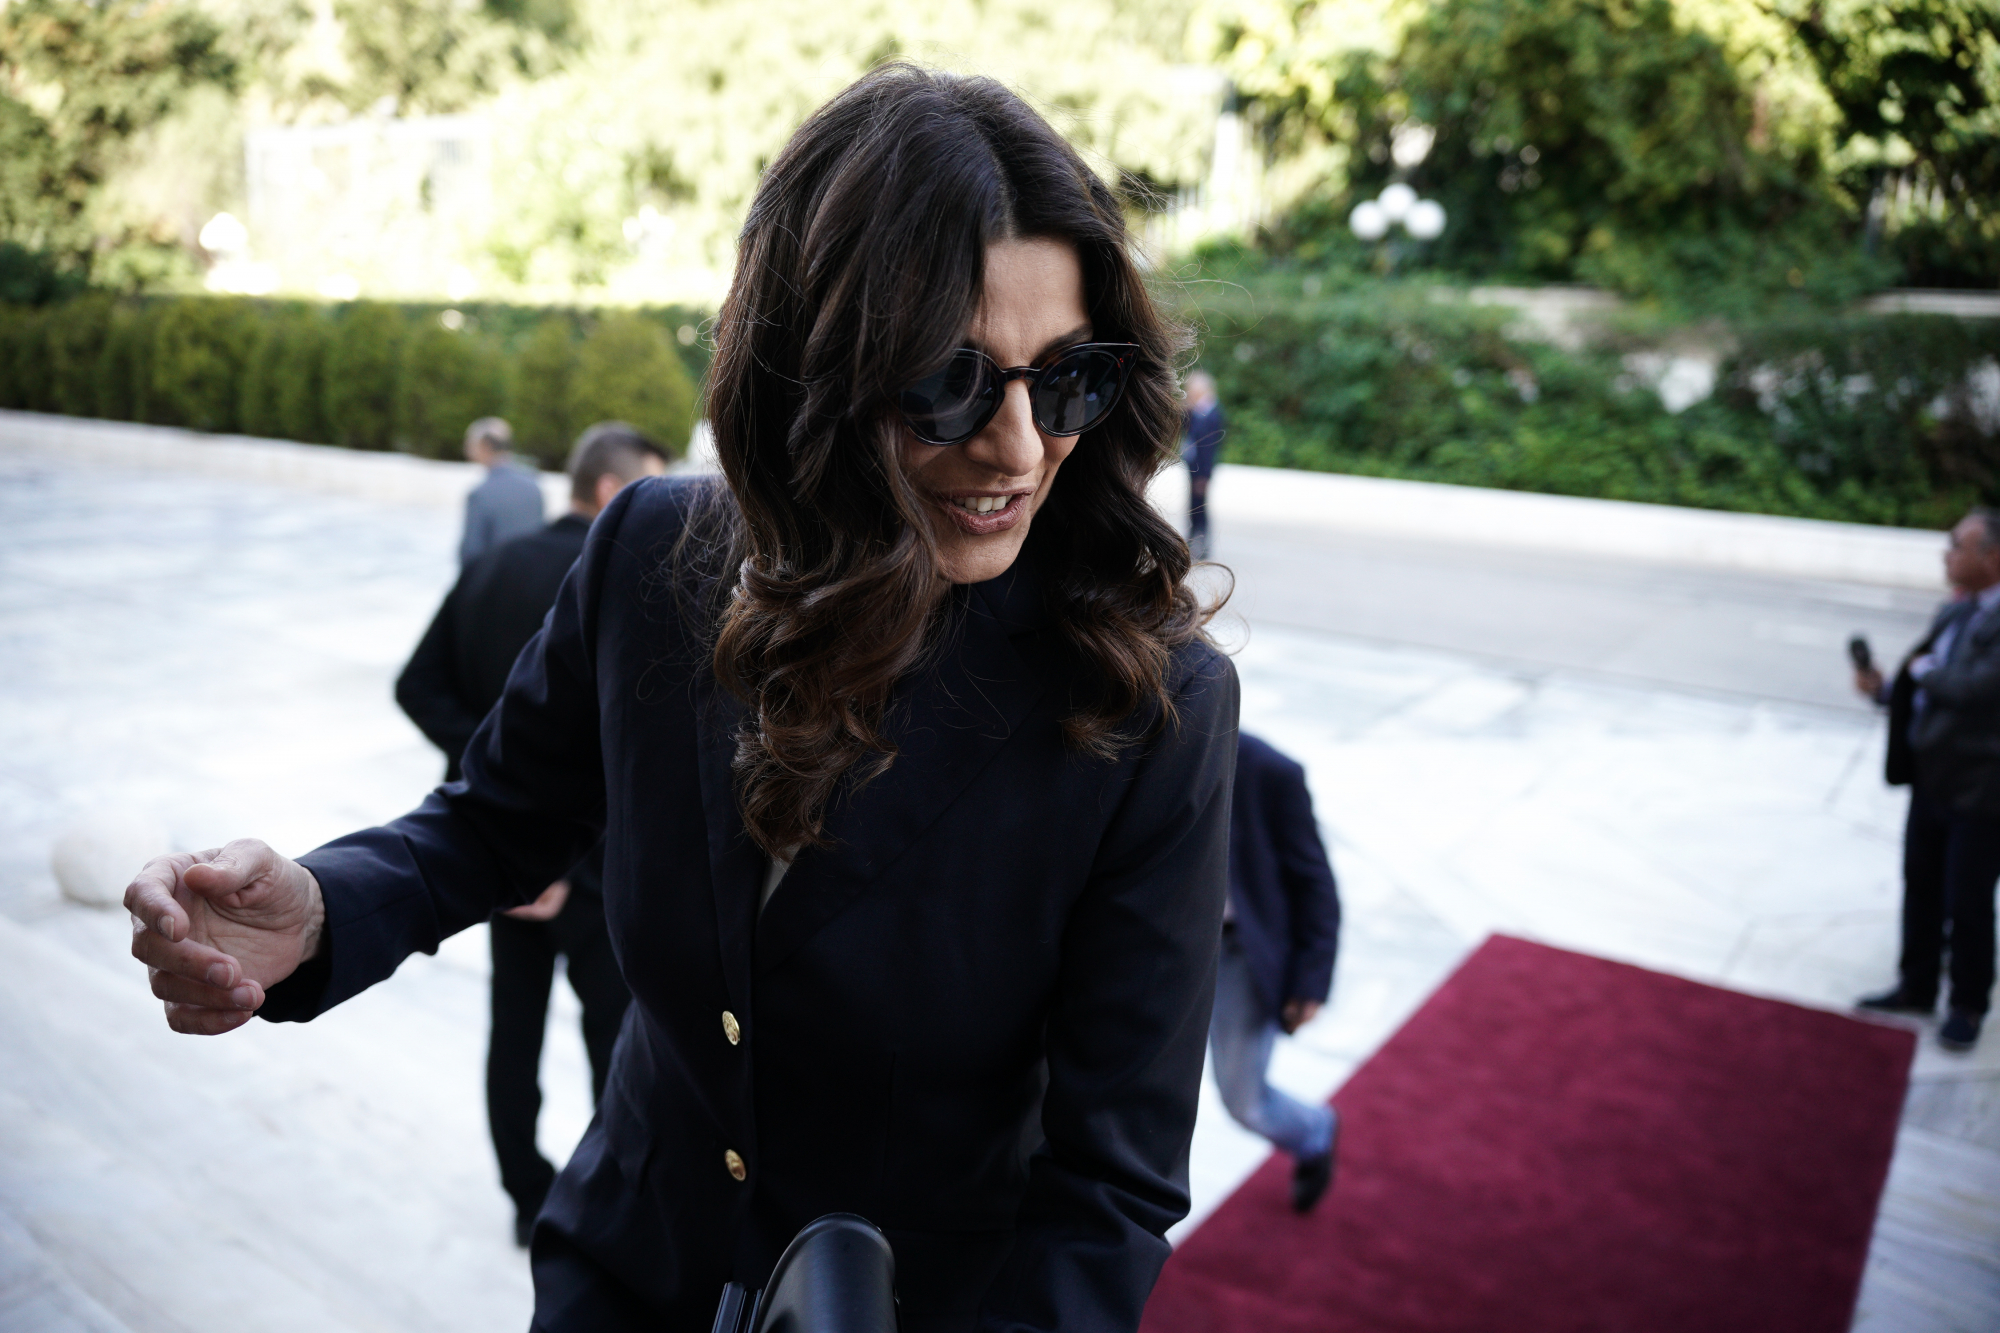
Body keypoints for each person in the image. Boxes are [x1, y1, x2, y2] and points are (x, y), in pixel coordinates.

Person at [122, 64, 1236, 1333]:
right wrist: (319, 908)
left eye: (1069, 376)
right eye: (950, 379)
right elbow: (494, 823)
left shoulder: (1152, 703)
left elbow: (1108, 1189)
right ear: (805, 369)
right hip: (617, 1276)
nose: (1021, 447)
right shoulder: (653, 550)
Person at [396, 423, 667, 1246]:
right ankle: (612, 1201)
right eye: (653, 490)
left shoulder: (491, 566)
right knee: (617, 1045)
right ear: (612, 492)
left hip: (502, 858)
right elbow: (637, 743)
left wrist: (499, 772)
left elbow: (418, 685)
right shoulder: (628, 576)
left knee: (512, 1034)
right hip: (592, 863)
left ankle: (527, 1197)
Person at [1856, 508, 2000, 1052]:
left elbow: (1974, 690)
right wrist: (1885, 690)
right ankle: (1916, 986)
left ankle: (1967, 1004)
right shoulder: (1956, 611)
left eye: (1957, 545)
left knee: (1968, 901)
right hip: (1933, 777)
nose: (1947, 555)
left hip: (1981, 789)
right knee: (1921, 886)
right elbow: (1927, 681)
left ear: (1993, 557)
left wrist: (1923, 674)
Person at [1211, 732, 1342, 1213]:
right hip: (1166, 948)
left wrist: (1311, 980)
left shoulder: (1271, 771)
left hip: (1239, 952)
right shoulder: (1137, 748)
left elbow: (1315, 881)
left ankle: (1313, 1131)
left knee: (1244, 1102)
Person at [461, 416, 546, 566]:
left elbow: (471, 554)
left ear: (485, 445)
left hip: (495, 574)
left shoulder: (481, 494)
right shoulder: (534, 486)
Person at [1182, 371, 1225, 561]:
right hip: (1193, 465)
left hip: (1202, 470)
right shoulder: (1198, 409)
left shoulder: (1212, 412)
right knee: (1194, 504)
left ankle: (1201, 543)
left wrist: (1204, 475)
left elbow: (1210, 448)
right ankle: (1192, 539)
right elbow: (1185, 429)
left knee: (1200, 506)